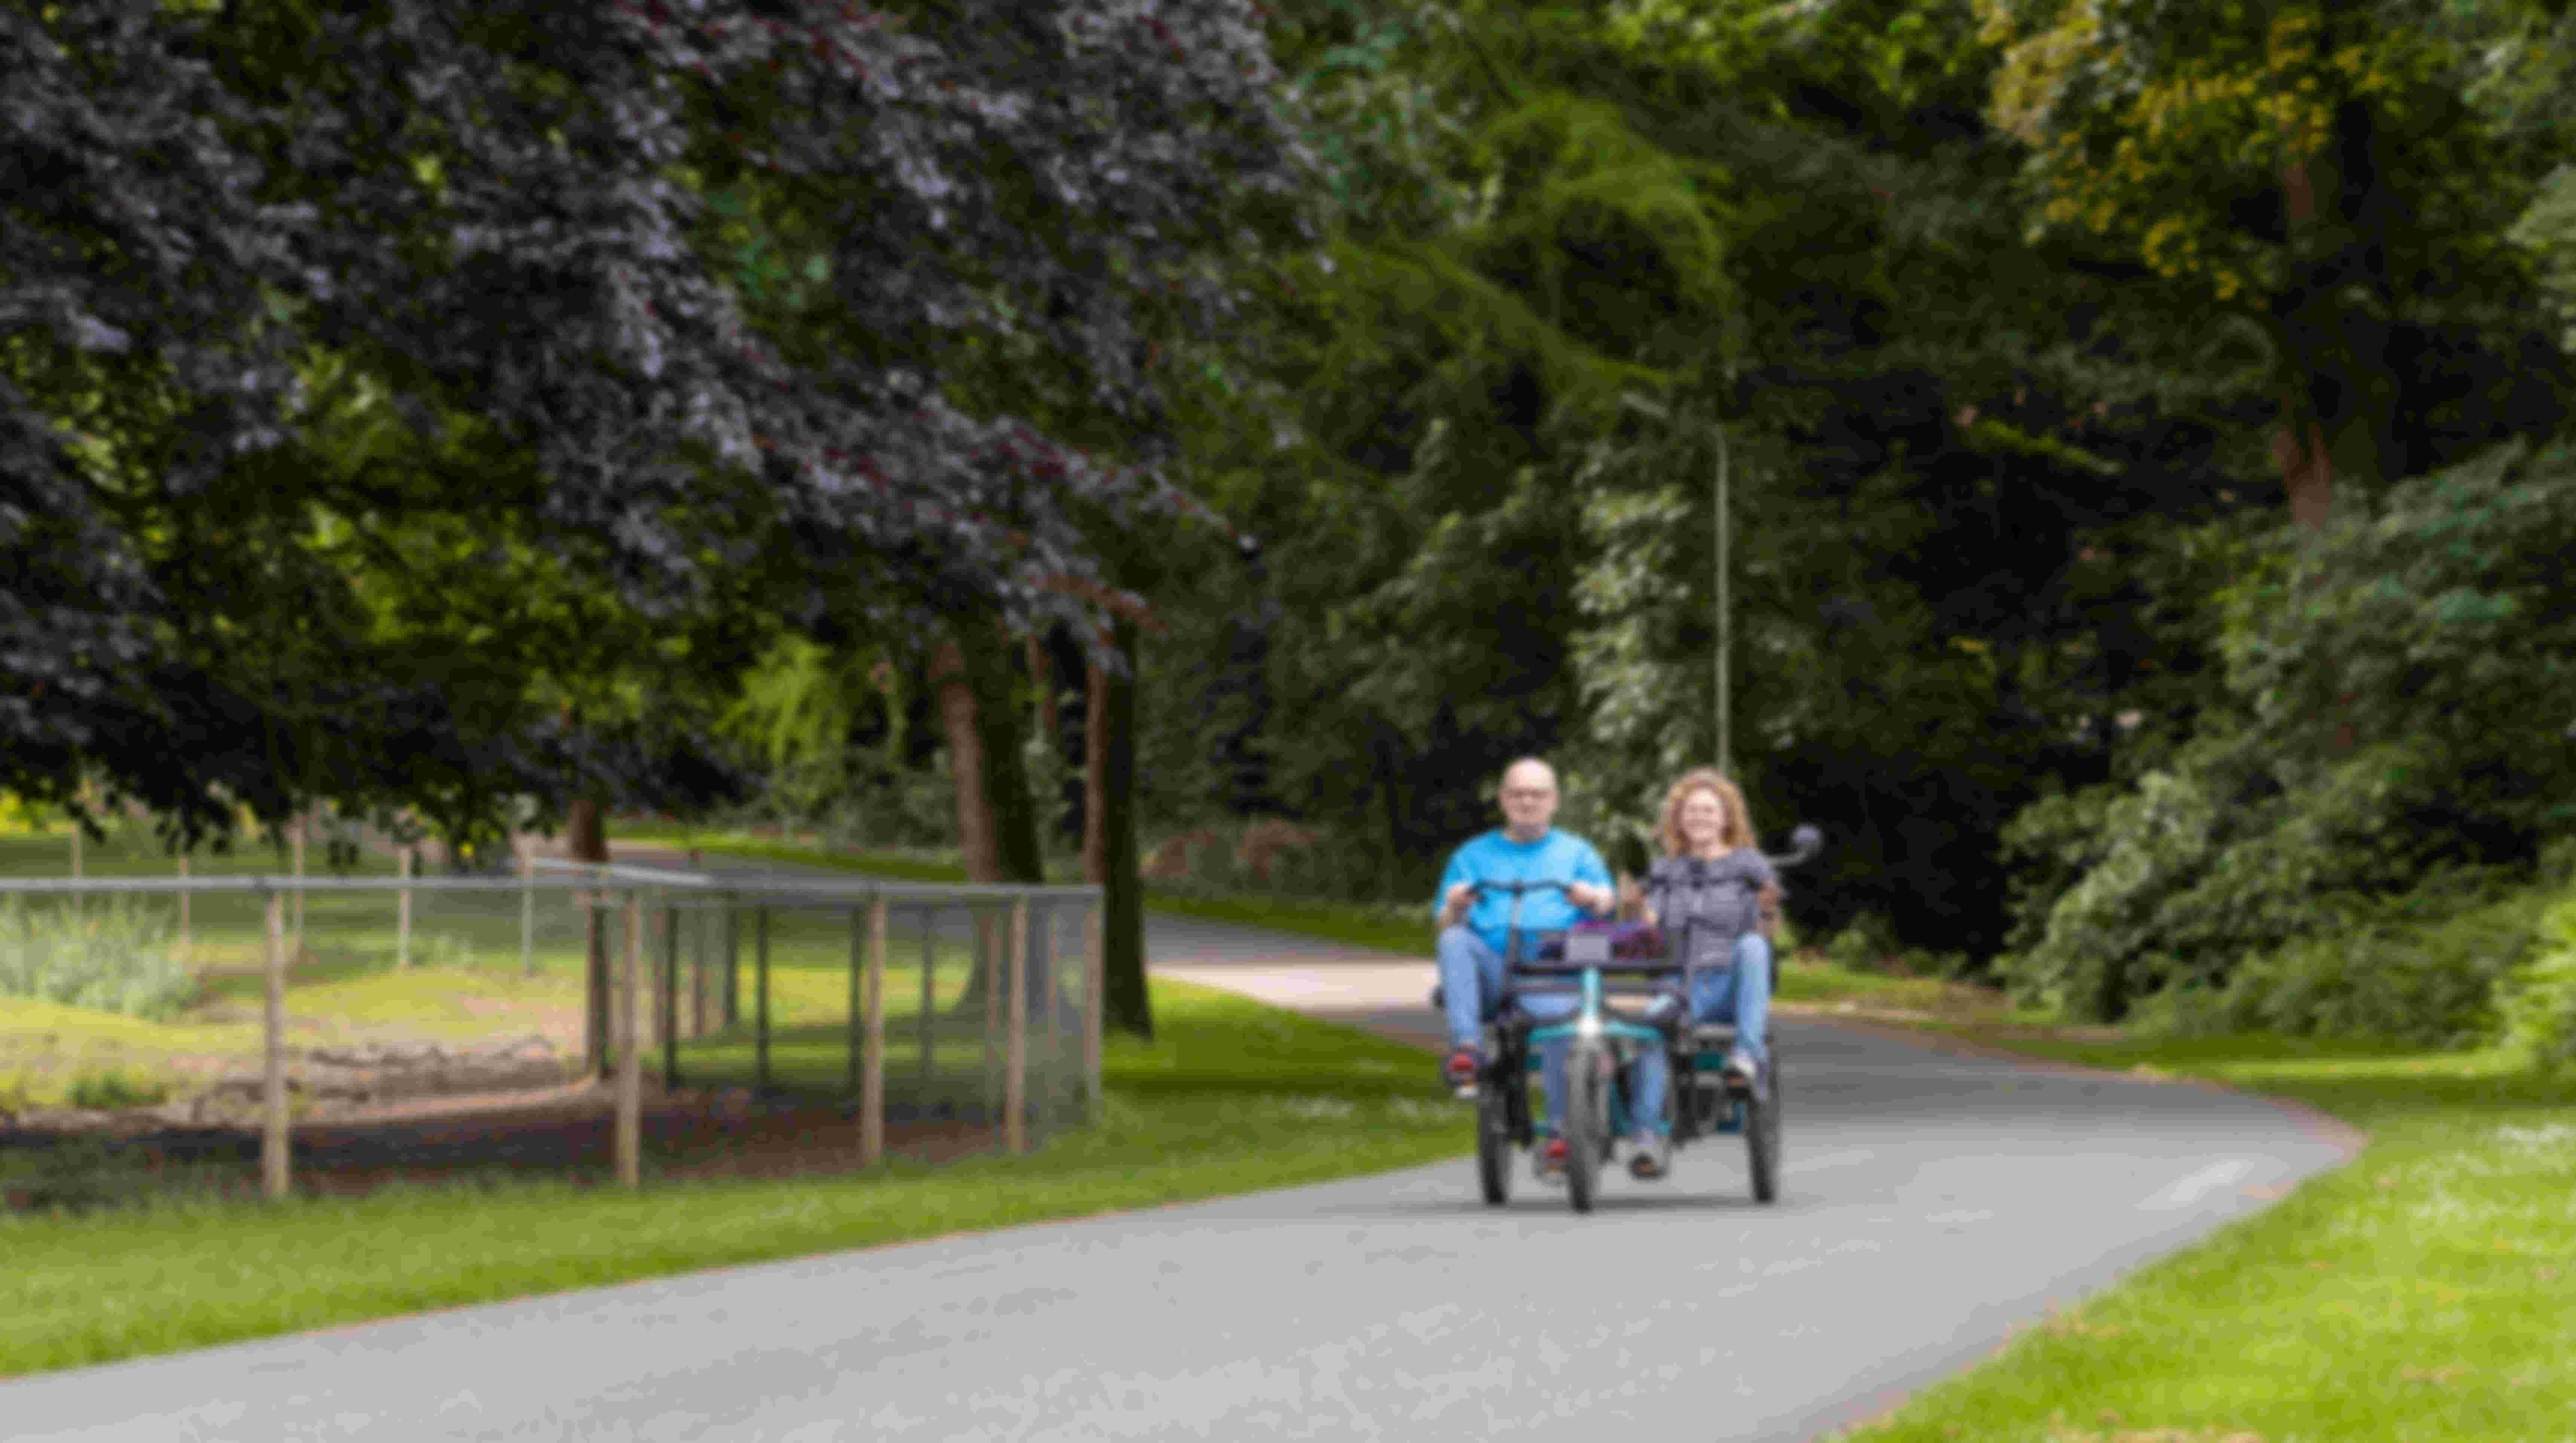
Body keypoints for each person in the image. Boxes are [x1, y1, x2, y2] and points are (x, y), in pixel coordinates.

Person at [1432, 758, 1614, 1179]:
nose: (1526, 801)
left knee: (1561, 1028)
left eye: (1536, 794)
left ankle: (1560, 1135)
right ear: (1502, 800)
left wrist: (1591, 898)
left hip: (1549, 975)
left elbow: (1608, 903)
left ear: (1553, 801)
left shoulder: (1577, 853)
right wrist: (1456, 907)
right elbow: (1443, 920)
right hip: (1495, 974)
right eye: (1517, 793)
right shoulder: (1471, 856)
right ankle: (1468, 1052)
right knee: (1453, 939)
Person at [1621, 767, 1779, 1180]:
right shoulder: (1664, 871)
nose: (1700, 818)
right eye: (1691, 811)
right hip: (1678, 986)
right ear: (1678, 819)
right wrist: (1637, 912)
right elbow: (1647, 930)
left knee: (1752, 945)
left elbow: (1767, 925)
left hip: (1726, 982)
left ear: (1726, 818)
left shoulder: (1748, 864)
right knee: (1649, 1032)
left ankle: (1746, 1057)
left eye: (1709, 811)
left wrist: (1766, 909)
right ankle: (1646, 1139)